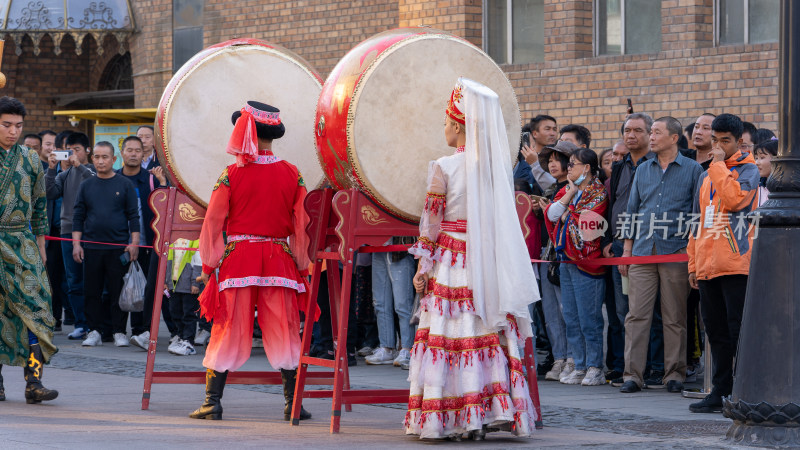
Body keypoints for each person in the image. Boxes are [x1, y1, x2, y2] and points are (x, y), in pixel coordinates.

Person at [406, 78, 538, 440]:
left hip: (452, 255)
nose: (444, 129)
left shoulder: (444, 166)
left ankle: (452, 415)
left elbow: (431, 223)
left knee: (449, 330)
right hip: (485, 257)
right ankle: (490, 408)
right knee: (484, 327)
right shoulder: (494, 168)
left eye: (447, 122)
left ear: (458, 125)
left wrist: (423, 264)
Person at [191, 101, 315, 422]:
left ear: (246, 129)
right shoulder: (293, 173)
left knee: (229, 327)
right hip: (280, 261)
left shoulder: (231, 174)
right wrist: (302, 265)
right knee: (286, 331)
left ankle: (212, 402)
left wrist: (208, 266)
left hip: (239, 261)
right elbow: (301, 225)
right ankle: (293, 403)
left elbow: (213, 223)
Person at [617, 117, 703, 394]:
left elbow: (697, 215)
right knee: (636, 315)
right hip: (641, 252)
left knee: (674, 316)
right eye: (650, 132)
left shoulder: (693, 170)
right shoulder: (642, 170)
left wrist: (692, 254)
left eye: (656, 133)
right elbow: (631, 211)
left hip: (676, 252)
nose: (651, 137)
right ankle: (633, 375)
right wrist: (627, 251)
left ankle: (674, 374)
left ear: (674, 137)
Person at [687, 113, 760, 413]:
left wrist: (717, 164)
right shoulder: (706, 177)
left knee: (737, 330)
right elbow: (697, 222)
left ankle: (746, 389)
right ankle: (720, 390)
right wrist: (693, 263)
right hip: (707, 264)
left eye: (724, 141)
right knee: (715, 332)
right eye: (714, 140)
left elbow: (733, 200)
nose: (717, 146)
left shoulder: (749, 171)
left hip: (736, 263)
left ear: (739, 140)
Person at [0, 96, 59, 404]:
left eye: (18, 126)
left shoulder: (30, 157)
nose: (14, 131)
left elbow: (39, 205)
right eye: (7, 125)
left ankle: (34, 381)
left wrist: (40, 243)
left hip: (23, 243)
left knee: (36, 310)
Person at [543, 148, 608, 386]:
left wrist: (566, 212)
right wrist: (569, 195)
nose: (569, 168)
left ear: (587, 167)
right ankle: (579, 365)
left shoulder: (597, 192)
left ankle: (595, 366)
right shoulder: (570, 190)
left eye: (573, 165)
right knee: (570, 316)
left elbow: (587, 225)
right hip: (566, 261)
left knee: (589, 318)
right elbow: (551, 215)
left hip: (587, 262)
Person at [72, 142, 141, 347]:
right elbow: (78, 216)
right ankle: (94, 331)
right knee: (91, 291)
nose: (101, 161)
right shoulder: (86, 185)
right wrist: (77, 244)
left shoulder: (124, 184)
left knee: (117, 291)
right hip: (91, 247)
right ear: (92, 159)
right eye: (97, 157)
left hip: (118, 248)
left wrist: (134, 242)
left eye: (105, 157)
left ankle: (119, 331)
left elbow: (133, 216)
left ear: (113, 159)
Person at [46, 132, 94, 340]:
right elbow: (50, 192)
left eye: (77, 150)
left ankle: (97, 325)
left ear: (87, 151)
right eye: (69, 150)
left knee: (93, 281)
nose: (73, 154)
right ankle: (81, 323)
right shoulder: (65, 174)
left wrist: (78, 166)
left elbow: (93, 184)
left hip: (92, 232)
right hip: (67, 231)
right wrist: (50, 168)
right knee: (74, 280)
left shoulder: (93, 170)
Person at [534, 141, 576, 382]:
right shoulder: (550, 190)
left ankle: (572, 358)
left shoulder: (575, 189)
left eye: (556, 159)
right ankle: (559, 357)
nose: (552, 163)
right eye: (549, 159)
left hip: (565, 256)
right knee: (550, 312)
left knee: (566, 310)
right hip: (545, 254)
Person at [365, 239, 416, 368]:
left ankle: (407, 348)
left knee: (403, 304)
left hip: (400, 245)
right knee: (380, 302)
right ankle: (386, 347)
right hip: (378, 245)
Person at [165, 238, 203, 356]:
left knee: (189, 314)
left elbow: (198, 263)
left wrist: (195, 282)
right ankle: (181, 337)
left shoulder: (195, 240)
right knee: (175, 312)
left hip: (189, 286)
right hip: (174, 285)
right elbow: (168, 261)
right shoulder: (172, 239)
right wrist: (166, 281)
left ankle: (188, 341)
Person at [514, 114, 559, 191]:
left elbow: (555, 187)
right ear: (535, 134)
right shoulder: (524, 160)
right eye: (547, 129)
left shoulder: (559, 159)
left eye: (554, 129)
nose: (552, 133)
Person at [754, 138, 778, 206]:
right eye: (756, 158)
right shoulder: (757, 186)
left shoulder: (786, 187)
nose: (756, 163)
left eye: (762, 158)